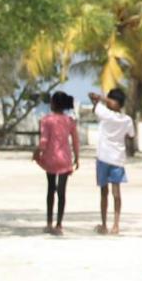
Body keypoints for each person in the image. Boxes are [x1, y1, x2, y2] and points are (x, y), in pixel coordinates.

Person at [89, 87, 135, 235]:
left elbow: (93, 101)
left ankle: (104, 224)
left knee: (104, 193)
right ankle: (116, 224)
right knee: (116, 193)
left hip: (103, 157)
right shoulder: (127, 120)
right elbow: (131, 135)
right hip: (117, 158)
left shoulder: (105, 113)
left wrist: (99, 99)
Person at [34, 91, 80, 235]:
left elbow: (44, 141)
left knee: (50, 190)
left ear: (53, 104)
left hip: (51, 159)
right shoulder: (69, 121)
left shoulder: (46, 120)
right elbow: (76, 141)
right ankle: (59, 224)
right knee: (61, 192)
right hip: (65, 159)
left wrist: (37, 152)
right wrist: (77, 157)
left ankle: (48, 223)